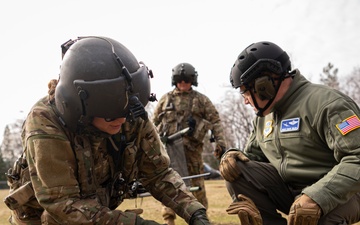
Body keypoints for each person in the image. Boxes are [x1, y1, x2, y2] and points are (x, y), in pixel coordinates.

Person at [4, 36, 211, 225]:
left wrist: (195, 212)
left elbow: (158, 174)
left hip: (98, 210)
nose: (121, 119)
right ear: (80, 109)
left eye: (126, 111)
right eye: (111, 114)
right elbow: (62, 204)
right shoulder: (45, 120)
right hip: (43, 218)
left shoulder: (128, 111)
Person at [219, 41, 360, 225]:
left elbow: (357, 156)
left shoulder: (327, 104)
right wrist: (233, 156)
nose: (245, 101)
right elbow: (253, 158)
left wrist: (317, 197)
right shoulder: (263, 117)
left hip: (345, 193)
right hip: (292, 193)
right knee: (236, 171)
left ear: (264, 86)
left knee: (315, 218)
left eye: (245, 92)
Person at [152, 63, 226, 225]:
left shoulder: (200, 100)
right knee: (169, 183)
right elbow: (152, 124)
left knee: (197, 184)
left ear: (192, 80)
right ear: (175, 81)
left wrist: (220, 142)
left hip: (192, 151)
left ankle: (201, 218)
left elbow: (215, 121)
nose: (183, 83)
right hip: (169, 151)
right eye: (180, 80)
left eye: (187, 80)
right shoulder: (165, 99)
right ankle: (168, 219)